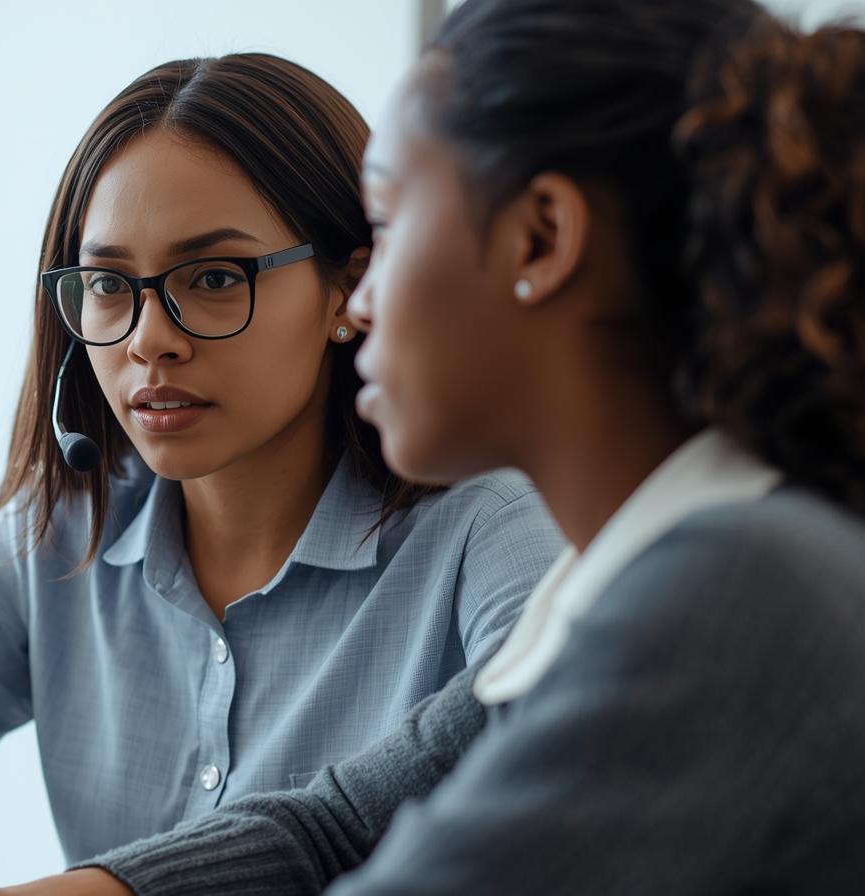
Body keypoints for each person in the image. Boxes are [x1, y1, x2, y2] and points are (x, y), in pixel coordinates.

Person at [0, 53, 564, 894]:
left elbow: (549, 747)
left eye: (214, 279)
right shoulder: (63, 531)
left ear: (347, 290)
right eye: (110, 284)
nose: (149, 339)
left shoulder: (488, 523)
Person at [318, 0, 865, 890]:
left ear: (542, 235)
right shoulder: (656, 568)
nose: (359, 305)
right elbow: (342, 823)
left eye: (384, 226)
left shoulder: (734, 590)